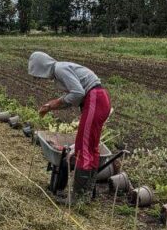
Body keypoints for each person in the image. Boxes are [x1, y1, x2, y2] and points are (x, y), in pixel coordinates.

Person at [28, 51, 111, 201]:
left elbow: (78, 93)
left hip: (95, 99)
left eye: (37, 75)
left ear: (41, 68)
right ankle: (85, 195)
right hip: (98, 99)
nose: (38, 79)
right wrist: (51, 106)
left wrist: (52, 104)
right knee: (90, 147)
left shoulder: (60, 69)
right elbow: (74, 98)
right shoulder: (61, 69)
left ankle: (78, 198)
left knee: (83, 147)